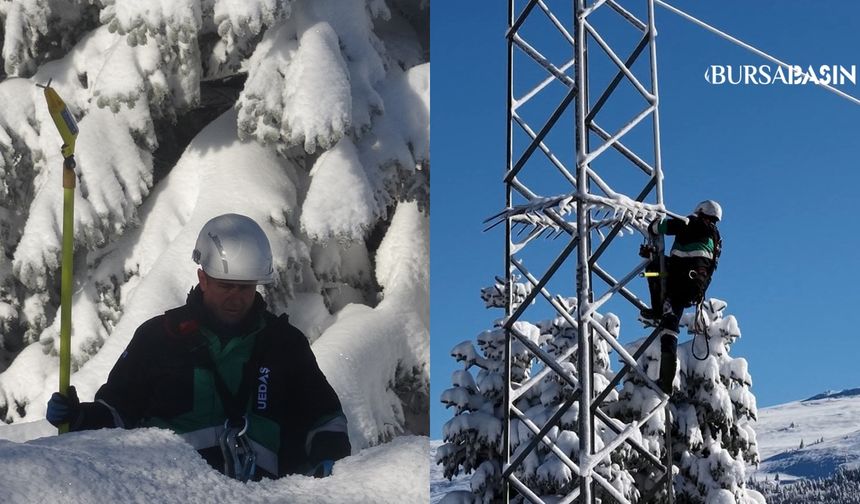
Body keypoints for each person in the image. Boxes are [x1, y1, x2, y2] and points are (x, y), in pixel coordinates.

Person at [47, 213, 351, 481]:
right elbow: (117, 414)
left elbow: (325, 418)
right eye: (225, 286)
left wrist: (330, 462)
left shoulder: (284, 344)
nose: (236, 297)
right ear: (203, 278)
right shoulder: (160, 337)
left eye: (245, 287)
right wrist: (80, 418)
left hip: (263, 495)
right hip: (171, 493)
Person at [640, 200, 722, 393]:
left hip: (677, 279)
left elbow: (660, 227)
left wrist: (652, 226)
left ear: (700, 211)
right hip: (694, 289)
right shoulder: (716, 238)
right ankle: (666, 382)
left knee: (652, 270)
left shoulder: (690, 223)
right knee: (671, 328)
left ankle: (657, 310)